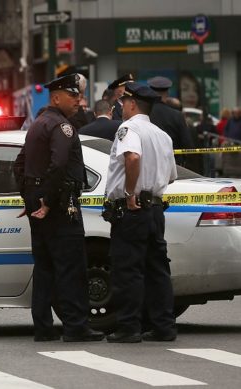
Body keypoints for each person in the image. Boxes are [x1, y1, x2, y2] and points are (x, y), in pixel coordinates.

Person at [14, 73, 104, 343]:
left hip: (41, 204)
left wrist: (30, 198)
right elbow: (61, 163)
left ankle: (43, 327)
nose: (79, 100)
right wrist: (48, 201)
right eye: (73, 96)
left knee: (44, 268)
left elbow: (18, 165)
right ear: (56, 98)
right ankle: (76, 327)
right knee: (71, 267)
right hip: (60, 206)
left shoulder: (38, 124)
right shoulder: (60, 126)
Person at [103, 82, 178, 343]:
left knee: (128, 270)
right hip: (155, 209)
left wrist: (129, 193)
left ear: (132, 104)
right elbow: (170, 176)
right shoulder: (162, 135)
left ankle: (129, 327)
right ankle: (163, 326)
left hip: (132, 210)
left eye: (123, 103)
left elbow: (132, 158)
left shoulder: (128, 128)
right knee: (158, 270)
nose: (122, 107)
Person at [147, 76, 193, 166]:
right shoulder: (177, 115)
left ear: (150, 92)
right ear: (167, 93)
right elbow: (187, 144)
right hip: (173, 165)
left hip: (148, 164)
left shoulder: (144, 113)